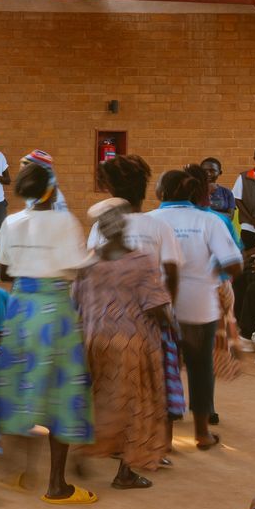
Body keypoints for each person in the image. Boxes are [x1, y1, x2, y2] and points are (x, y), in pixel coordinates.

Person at [0, 160, 94, 504]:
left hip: (20, 309)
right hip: (55, 313)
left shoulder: (11, 221)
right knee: (62, 394)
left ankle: (16, 471)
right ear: (53, 188)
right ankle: (57, 485)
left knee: (20, 383)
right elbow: (77, 270)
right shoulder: (66, 221)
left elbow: (2, 269)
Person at [75, 199, 174, 489]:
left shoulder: (88, 262)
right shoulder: (139, 261)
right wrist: (170, 324)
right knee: (134, 405)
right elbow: (156, 306)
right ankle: (125, 473)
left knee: (96, 399)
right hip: (131, 343)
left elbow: (76, 303)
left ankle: (82, 451)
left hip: (94, 339)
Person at [156, 165, 242, 452]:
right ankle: (202, 434)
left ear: (162, 192)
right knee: (200, 367)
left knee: (162, 369)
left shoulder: (149, 220)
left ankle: (164, 439)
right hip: (201, 308)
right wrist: (206, 271)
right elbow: (234, 264)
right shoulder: (211, 222)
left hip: (159, 309)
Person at [230, 145, 255, 341]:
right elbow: (238, 201)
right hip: (250, 231)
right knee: (244, 271)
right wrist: (252, 221)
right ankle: (238, 318)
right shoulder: (245, 177)